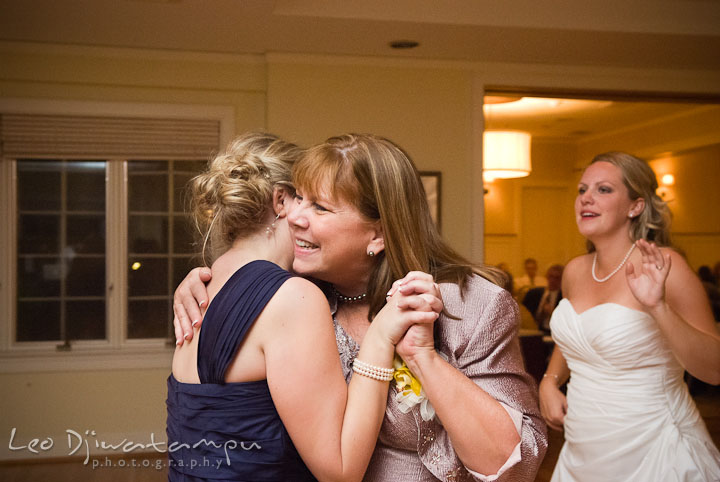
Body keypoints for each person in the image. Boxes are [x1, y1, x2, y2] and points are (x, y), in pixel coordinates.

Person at [174, 133, 547, 481]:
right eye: (298, 199)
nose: (296, 216)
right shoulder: (298, 297)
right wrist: (205, 280)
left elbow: (515, 465)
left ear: (379, 233)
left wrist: (423, 358)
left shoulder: (468, 304)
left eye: (320, 206)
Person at [539, 151, 720, 481]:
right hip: (582, 452)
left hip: (656, 448)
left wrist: (658, 307)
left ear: (635, 206)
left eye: (603, 189)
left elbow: (714, 370)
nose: (586, 199)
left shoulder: (666, 266)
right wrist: (550, 383)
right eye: (582, 190)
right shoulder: (575, 271)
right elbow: (578, 338)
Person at [522, 264, 564, 333]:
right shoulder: (533, 294)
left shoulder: (565, 297)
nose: (552, 280)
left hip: (554, 332)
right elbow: (524, 314)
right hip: (534, 331)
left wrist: (552, 313)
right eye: (551, 276)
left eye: (557, 278)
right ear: (547, 277)